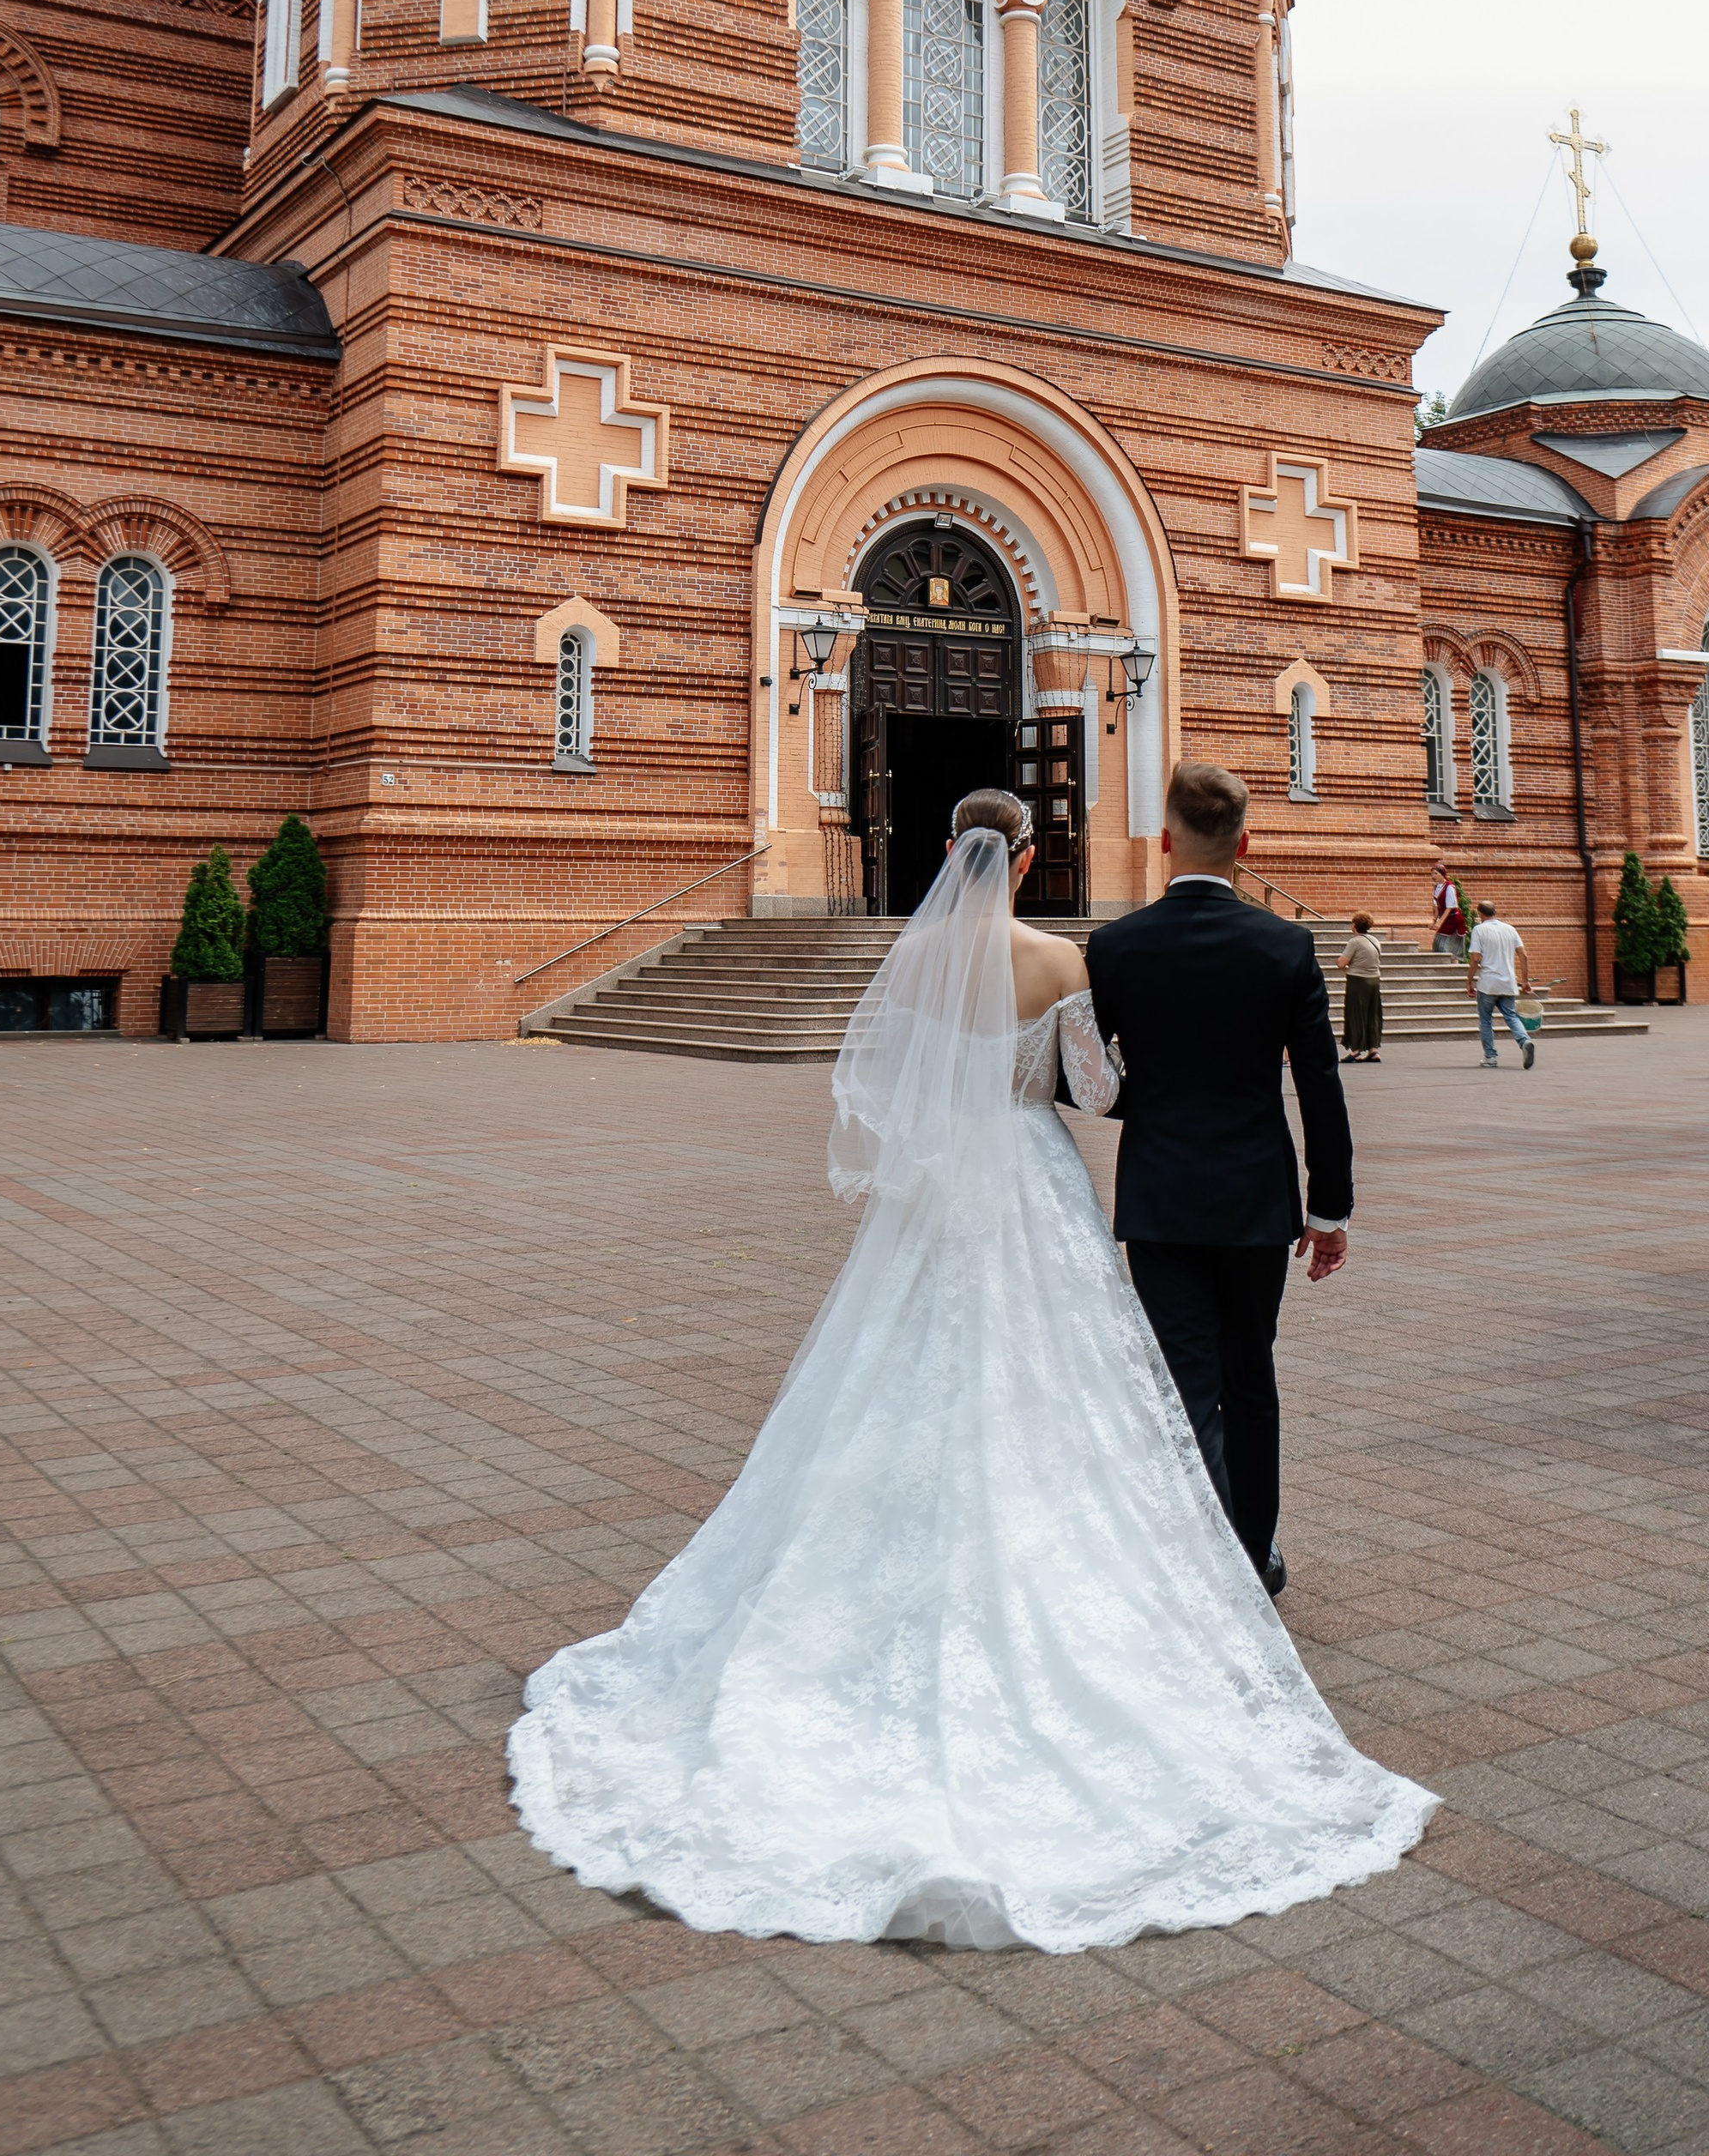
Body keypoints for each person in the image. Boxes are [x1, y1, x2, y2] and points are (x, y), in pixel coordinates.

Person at [507, 785, 1433, 1952]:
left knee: (913, 1373)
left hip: (944, 1194)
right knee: (1122, 1388)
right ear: (1033, 857)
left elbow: (892, 1086)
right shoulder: (1068, 957)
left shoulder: (927, 956)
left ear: (951, 850)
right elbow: (1101, 1089)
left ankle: (906, 1550)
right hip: (1064, 1182)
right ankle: (1221, 1558)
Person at [1086, 760, 1354, 1601]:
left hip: (1159, 1196)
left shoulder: (1117, 946)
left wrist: (1148, 1101)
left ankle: (1196, 1555)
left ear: (1165, 840)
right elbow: (1320, 1083)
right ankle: (1252, 1551)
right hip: (1255, 1199)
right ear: (1245, 844)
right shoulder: (1285, 945)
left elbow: (1082, 1078)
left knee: (1183, 1381)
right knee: (1250, 1376)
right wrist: (1329, 1208)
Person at [1466, 900, 1534, 1066]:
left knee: (1486, 1020)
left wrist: (1469, 981)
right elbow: (1523, 955)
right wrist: (1525, 981)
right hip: (1508, 982)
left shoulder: (1479, 930)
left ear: (1480, 914)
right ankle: (1525, 1041)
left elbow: (1475, 958)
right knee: (1511, 1016)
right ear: (1495, 912)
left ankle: (1490, 1057)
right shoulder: (1510, 929)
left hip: (1488, 983)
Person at [1338, 913, 1385, 1060]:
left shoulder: (1355, 942)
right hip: (1374, 980)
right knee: (1372, 1014)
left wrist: (1346, 966)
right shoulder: (1375, 940)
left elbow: (1341, 963)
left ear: (1355, 925)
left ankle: (1356, 1049)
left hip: (1357, 981)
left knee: (1356, 1014)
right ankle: (1373, 1049)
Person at [1431, 862, 1467, 955]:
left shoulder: (1449, 887)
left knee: (1444, 945)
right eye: (1432, 874)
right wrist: (1434, 921)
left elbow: (1450, 907)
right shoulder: (1436, 887)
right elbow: (1436, 907)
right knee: (1438, 945)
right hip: (1445, 920)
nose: (1433, 876)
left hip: (1453, 919)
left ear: (1442, 874)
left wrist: (1439, 923)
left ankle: (1453, 963)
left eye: (1436, 873)